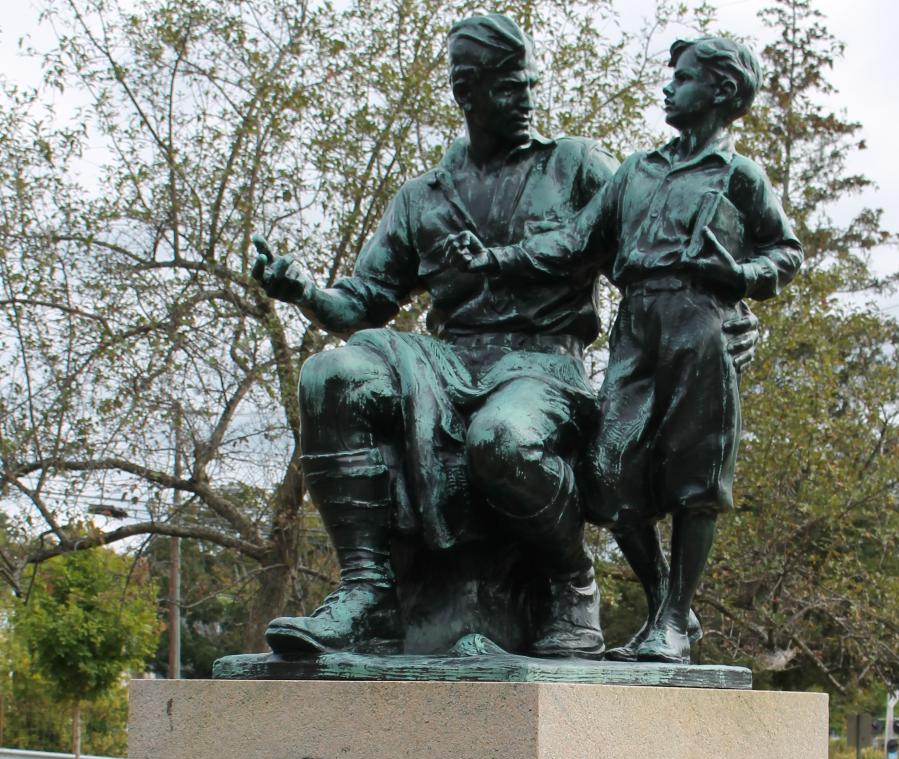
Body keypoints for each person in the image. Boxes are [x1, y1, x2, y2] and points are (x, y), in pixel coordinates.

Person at [252, 16, 758, 659]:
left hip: (543, 363)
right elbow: (364, 300)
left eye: (530, 85)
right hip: (444, 358)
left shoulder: (574, 166)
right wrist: (302, 290)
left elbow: (663, 243)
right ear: (469, 93)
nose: (527, 99)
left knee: (503, 439)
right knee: (330, 378)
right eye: (511, 88)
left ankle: (572, 584)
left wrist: (731, 314)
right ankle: (367, 593)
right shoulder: (422, 197)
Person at [453, 35, 802, 662]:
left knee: (697, 480)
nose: (668, 87)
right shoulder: (637, 170)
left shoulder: (738, 175)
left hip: (700, 326)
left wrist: (742, 281)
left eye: (684, 77)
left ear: (721, 93)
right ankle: (672, 601)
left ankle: (669, 621)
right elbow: (575, 239)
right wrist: (496, 259)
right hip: (637, 327)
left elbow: (786, 252)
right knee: (604, 476)